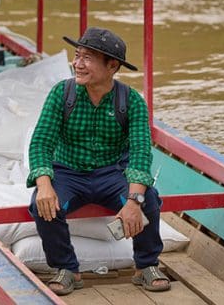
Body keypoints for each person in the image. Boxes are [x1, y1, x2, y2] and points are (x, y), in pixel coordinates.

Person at [27, 27, 170, 296]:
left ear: (112, 65)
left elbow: (140, 154)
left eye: (87, 59)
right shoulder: (62, 93)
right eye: (77, 56)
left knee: (148, 199)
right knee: (42, 204)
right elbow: (41, 143)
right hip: (68, 172)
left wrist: (132, 202)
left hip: (113, 172)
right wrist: (44, 184)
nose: (77, 64)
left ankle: (146, 265)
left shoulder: (132, 101)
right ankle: (67, 268)